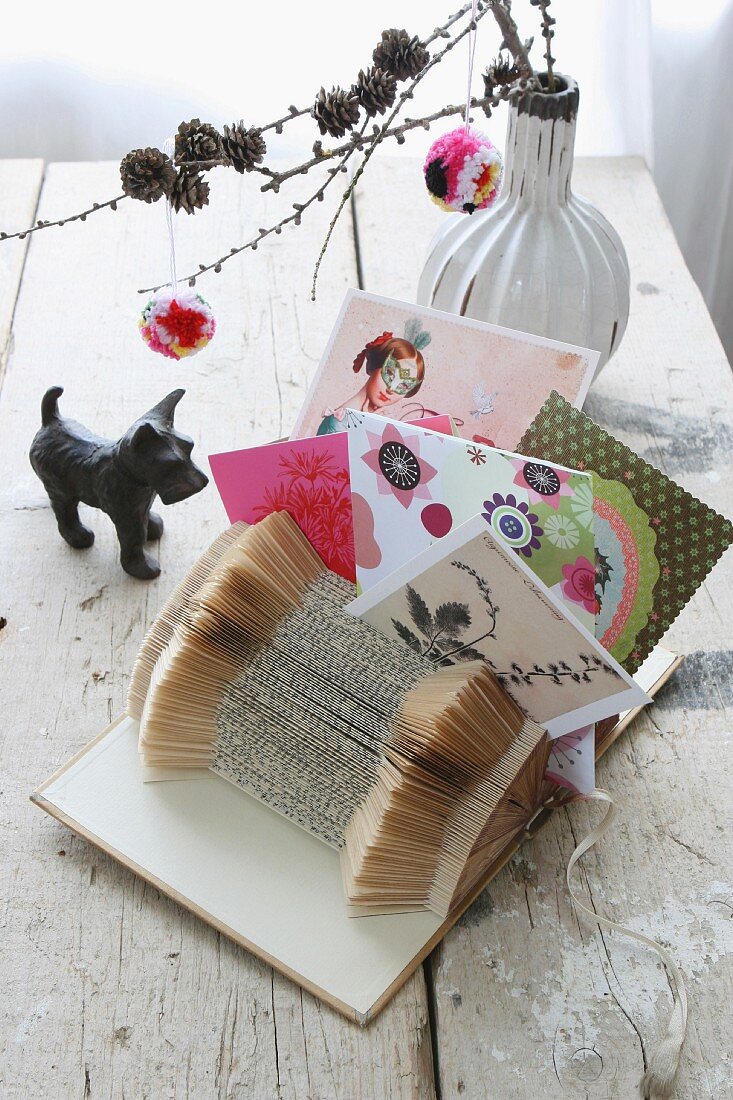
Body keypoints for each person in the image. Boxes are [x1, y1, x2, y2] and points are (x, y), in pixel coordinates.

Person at [316, 326, 429, 435]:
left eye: (404, 385)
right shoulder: (336, 425)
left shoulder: (376, 423)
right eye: (390, 374)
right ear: (375, 365)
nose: (391, 389)